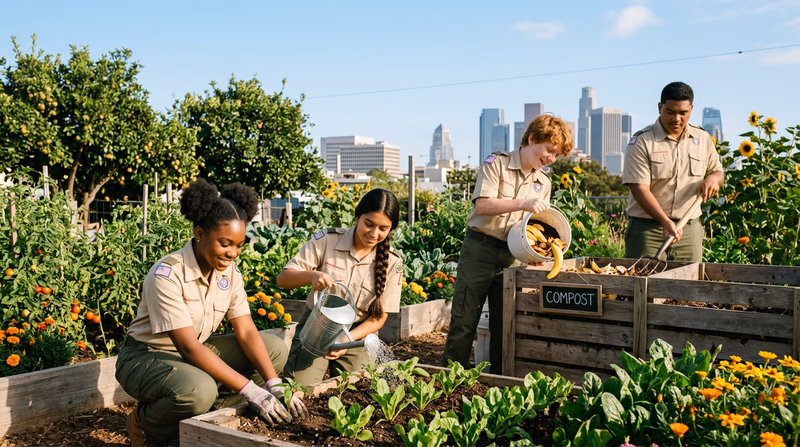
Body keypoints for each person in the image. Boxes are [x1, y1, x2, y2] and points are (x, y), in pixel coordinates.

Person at [116, 179, 307, 447]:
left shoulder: (229, 272)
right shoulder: (168, 274)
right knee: (198, 390)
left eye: (239, 245)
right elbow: (189, 348)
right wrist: (251, 389)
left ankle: (208, 413)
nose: (233, 253)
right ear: (199, 233)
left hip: (193, 352)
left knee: (273, 347)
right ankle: (146, 423)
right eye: (225, 243)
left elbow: (247, 330)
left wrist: (274, 384)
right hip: (144, 358)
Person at [442, 114, 574, 375]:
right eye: (548, 150)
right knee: (464, 320)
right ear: (532, 139)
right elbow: (483, 205)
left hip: (513, 256)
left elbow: (532, 224)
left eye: (556, 155)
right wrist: (523, 203)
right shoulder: (496, 163)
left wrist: (537, 252)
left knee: (505, 325)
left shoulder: (543, 182)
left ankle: (499, 381)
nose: (551, 159)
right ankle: (449, 380)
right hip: (480, 250)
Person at [277, 188, 402, 385]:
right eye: (368, 224)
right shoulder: (327, 241)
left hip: (357, 336)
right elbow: (282, 279)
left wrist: (347, 340)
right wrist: (311, 276)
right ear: (357, 216)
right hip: (315, 327)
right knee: (298, 390)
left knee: (354, 391)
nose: (374, 234)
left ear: (391, 229)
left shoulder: (392, 263)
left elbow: (379, 318)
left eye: (383, 229)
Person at [623, 82, 723, 262]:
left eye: (683, 113)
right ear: (660, 108)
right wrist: (665, 222)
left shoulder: (702, 138)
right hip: (647, 230)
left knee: (690, 284)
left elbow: (717, 172)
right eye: (670, 112)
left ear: (691, 109)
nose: (676, 118)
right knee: (640, 285)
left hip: (689, 230)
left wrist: (713, 179)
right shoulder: (642, 141)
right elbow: (639, 188)